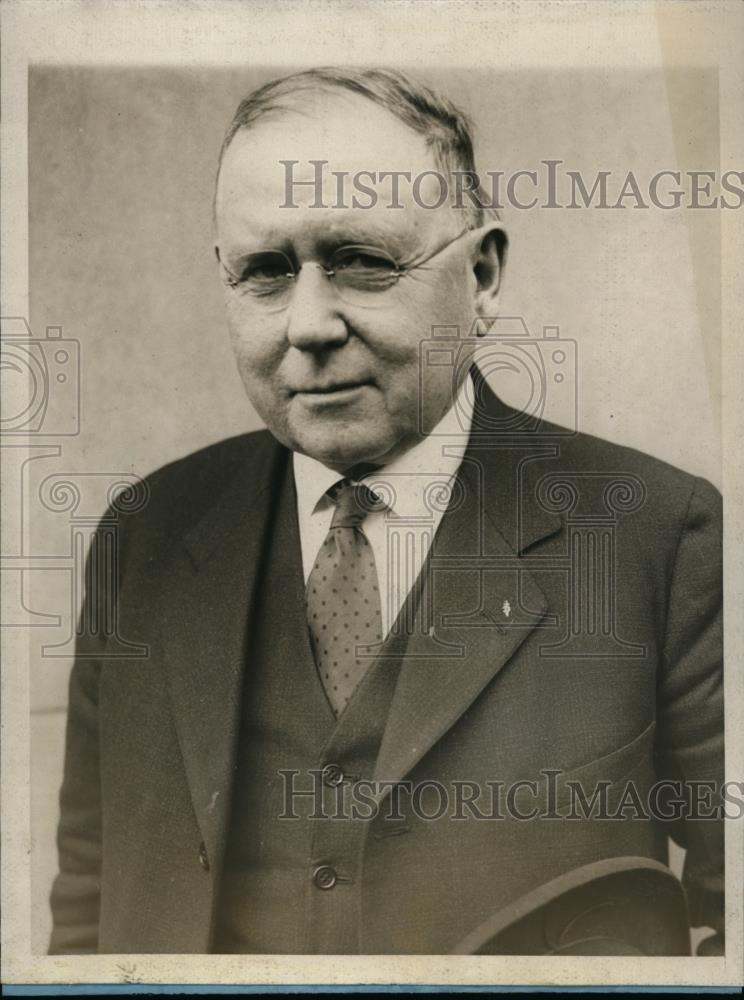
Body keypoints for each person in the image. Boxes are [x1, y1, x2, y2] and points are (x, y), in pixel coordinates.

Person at [49, 68, 723, 956]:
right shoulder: (145, 536)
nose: (309, 324)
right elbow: (88, 915)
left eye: (363, 262)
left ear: (481, 276)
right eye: (265, 272)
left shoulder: (656, 536)